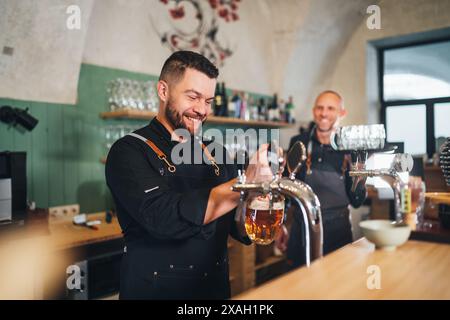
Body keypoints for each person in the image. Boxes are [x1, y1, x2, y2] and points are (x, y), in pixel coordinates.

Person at [105, 51, 269, 299]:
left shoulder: (216, 152)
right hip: (155, 292)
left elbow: (235, 225)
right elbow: (164, 217)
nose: (202, 110)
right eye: (193, 97)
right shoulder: (128, 150)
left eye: (209, 101)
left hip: (214, 292)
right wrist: (243, 184)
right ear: (163, 91)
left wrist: (258, 203)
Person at [276, 90, 367, 268]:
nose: (324, 113)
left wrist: (358, 170)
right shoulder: (299, 142)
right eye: (320, 108)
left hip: (338, 232)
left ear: (342, 113)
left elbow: (357, 201)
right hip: (302, 232)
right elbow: (287, 188)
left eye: (330, 108)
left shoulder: (352, 147)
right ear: (313, 111)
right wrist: (280, 224)